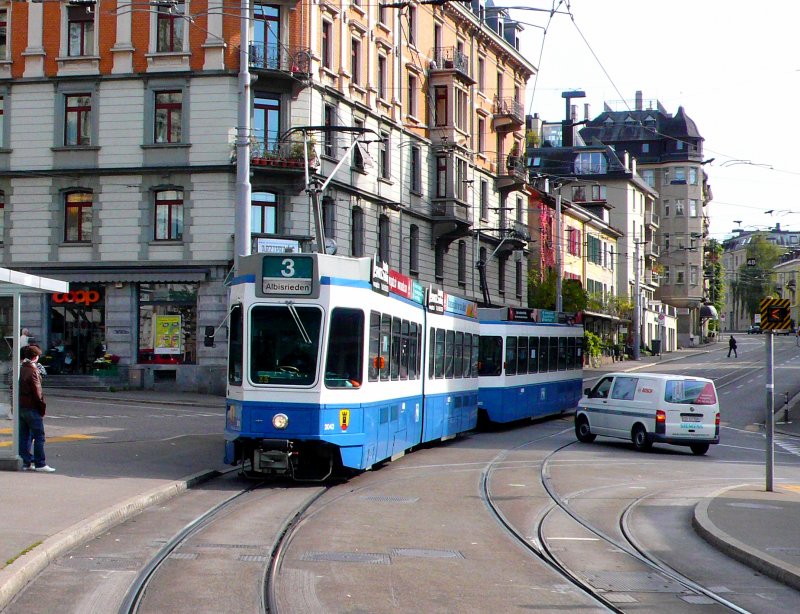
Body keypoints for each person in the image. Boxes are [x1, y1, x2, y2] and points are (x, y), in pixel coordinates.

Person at [18, 344, 54, 472]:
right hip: (32, 407)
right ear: (35, 357)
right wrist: (42, 408)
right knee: (39, 436)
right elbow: (38, 393)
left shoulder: (21, 369)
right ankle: (40, 463)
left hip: (21, 406)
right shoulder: (33, 371)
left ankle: (25, 462)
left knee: (24, 435)